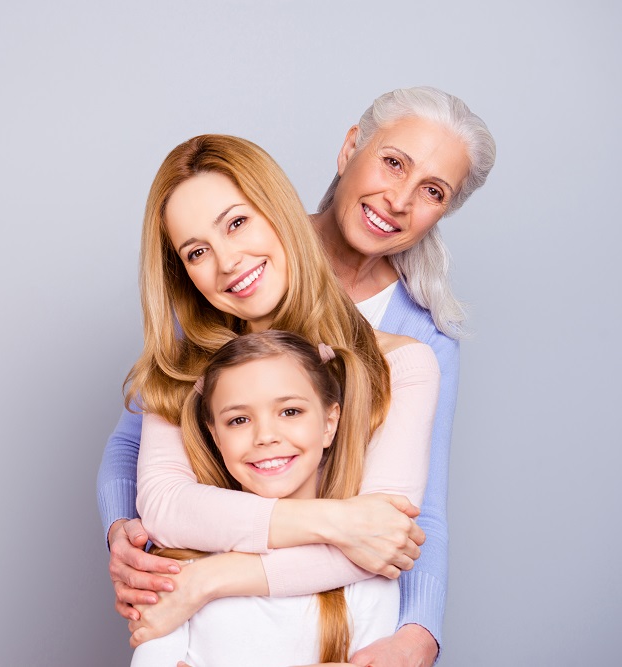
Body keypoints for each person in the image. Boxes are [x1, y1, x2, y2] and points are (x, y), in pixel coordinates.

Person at [98, 88, 495, 665]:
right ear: (350, 148)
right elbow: (156, 489)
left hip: (341, 624)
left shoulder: (409, 354)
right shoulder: (194, 344)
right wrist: (122, 530)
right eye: (195, 251)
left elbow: (402, 526)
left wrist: (419, 633)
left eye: (433, 190)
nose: (229, 260)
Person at [130, 330, 438, 667]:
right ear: (215, 435)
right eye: (239, 419)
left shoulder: (366, 575)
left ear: (329, 423)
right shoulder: (176, 574)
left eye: (290, 412)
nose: (265, 436)